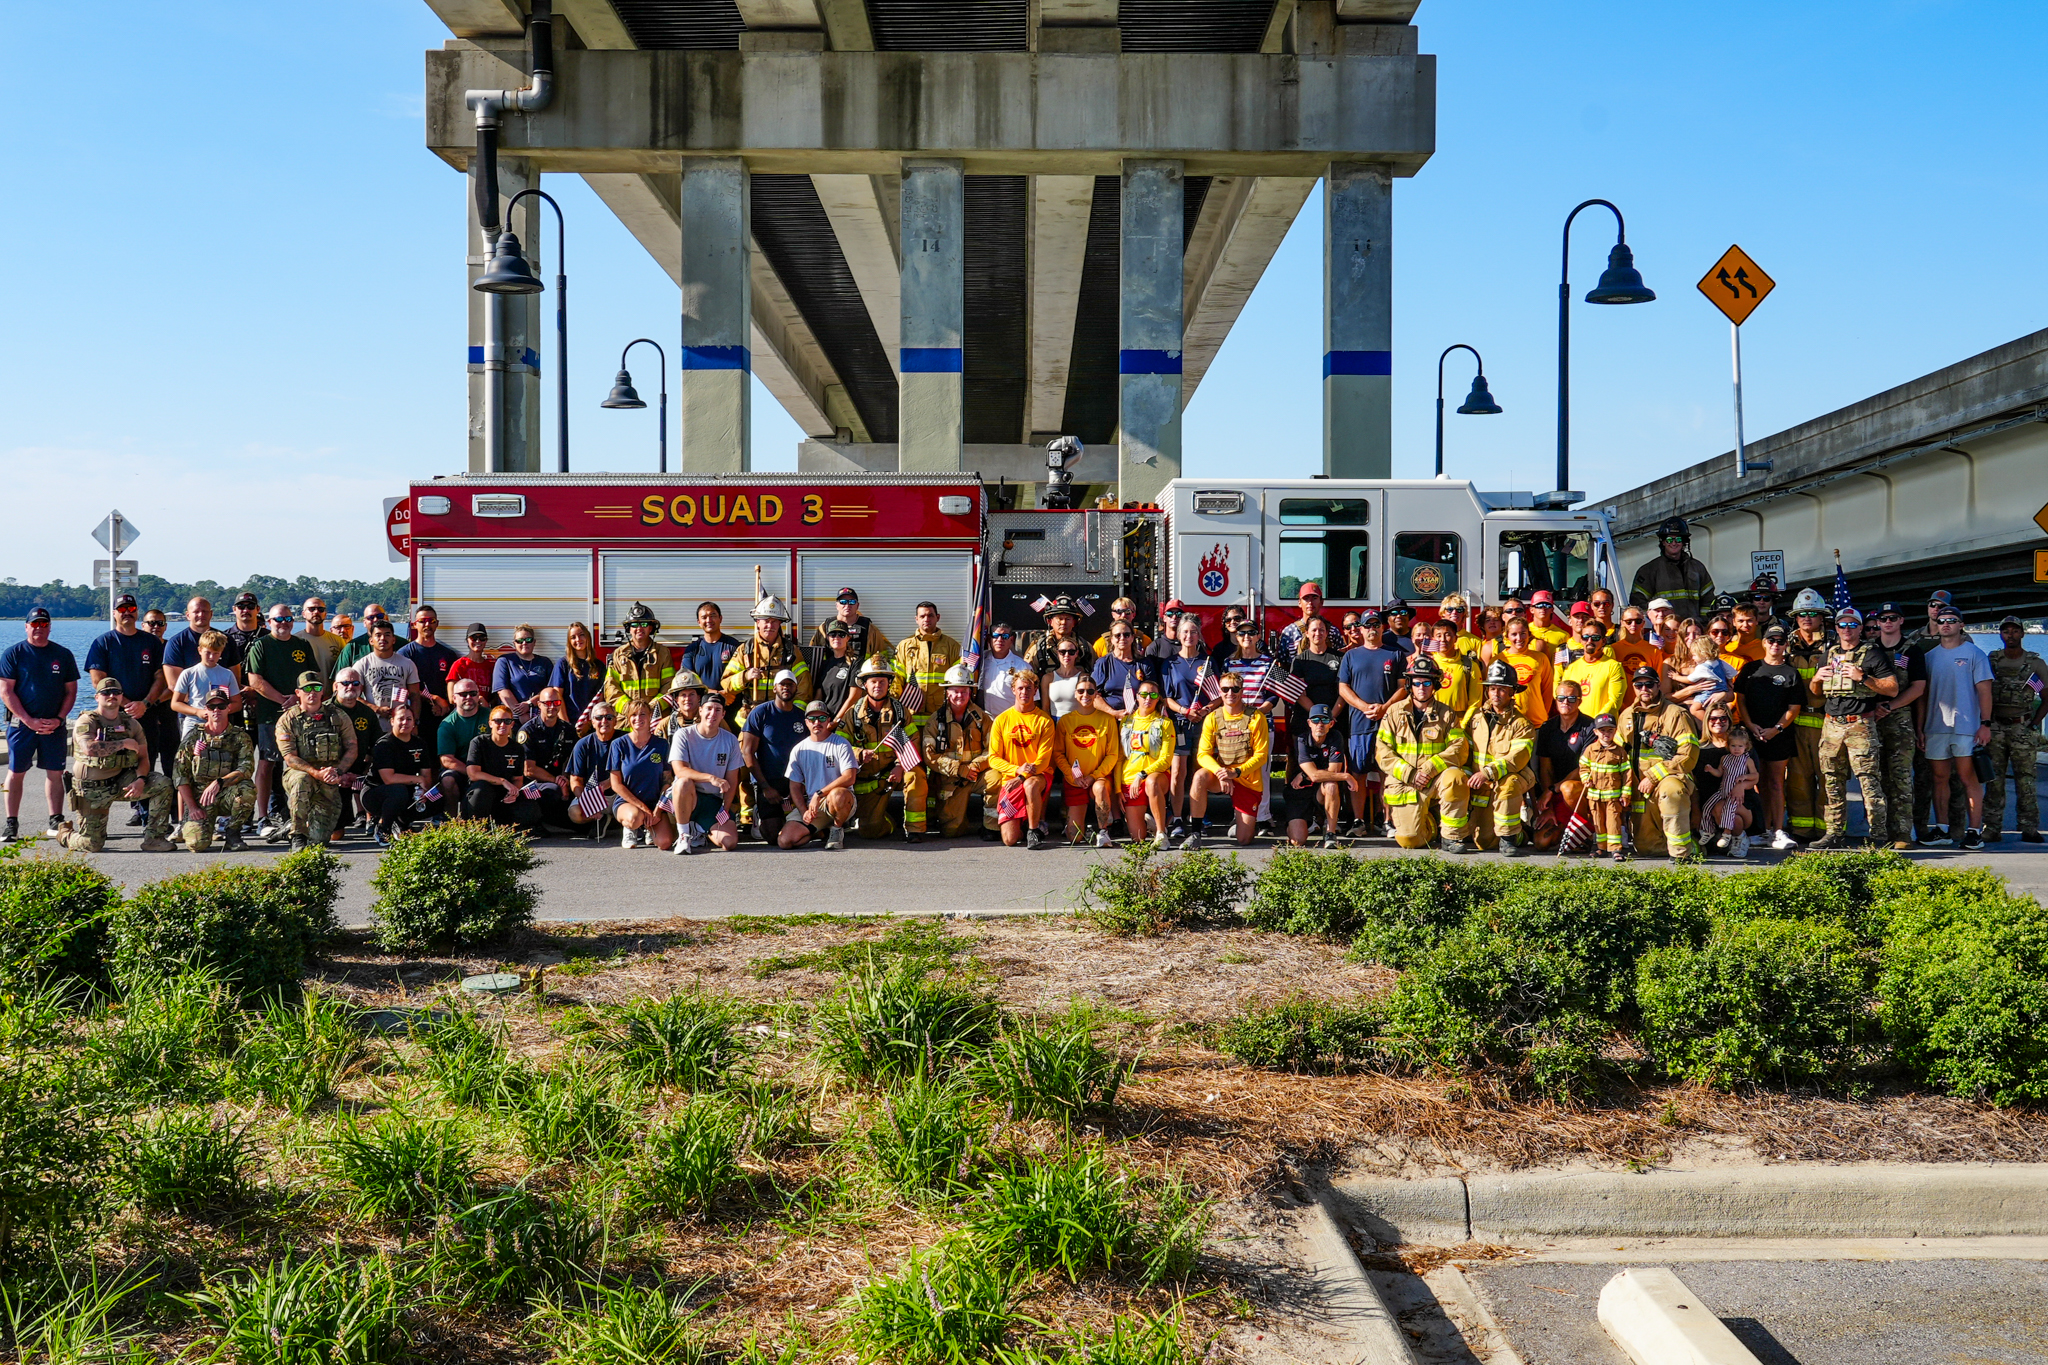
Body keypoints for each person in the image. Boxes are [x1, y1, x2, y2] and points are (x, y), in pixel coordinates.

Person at [56, 679, 175, 852]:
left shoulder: (131, 724)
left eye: (116, 692)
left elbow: (143, 757)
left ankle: (154, 839)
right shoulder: (87, 721)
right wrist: (123, 743)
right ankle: (65, 834)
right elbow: (89, 749)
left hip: (121, 782)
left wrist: (141, 779)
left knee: (162, 784)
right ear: (97, 697)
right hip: (92, 788)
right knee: (92, 844)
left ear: (121, 696)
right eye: (106, 692)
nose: (111, 696)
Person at [1372, 656, 1469, 852]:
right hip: (1406, 781)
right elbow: (1382, 751)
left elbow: (1459, 748)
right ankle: (1431, 824)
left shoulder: (1447, 714)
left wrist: (1429, 768)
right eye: (1416, 683)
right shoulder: (1393, 713)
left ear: (1434, 685)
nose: (1421, 687)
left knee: (1456, 778)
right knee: (1409, 840)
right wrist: (1410, 774)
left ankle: (1451, 837)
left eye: (1427, 683)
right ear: (1409, 684)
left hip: (1435, 778)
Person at [1915, 604, 1991, 849]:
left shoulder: (1975, 654)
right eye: (1941, 621)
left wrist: (1985, 724)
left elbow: (1985, 691)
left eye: (1951, 620)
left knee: (1969, 778)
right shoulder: (1930, 657)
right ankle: (1942, 829)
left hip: (1967, 727)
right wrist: (1920, 728)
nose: (1945, 624)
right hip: (1936, 727)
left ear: (1961, 625)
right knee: (1939, 779)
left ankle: (1974, 832)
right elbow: (1922, 696)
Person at [0, 609, 79, 844]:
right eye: (34, 624)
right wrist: (28, 720)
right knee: (16, 772)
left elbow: (71, 691)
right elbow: (6, 691)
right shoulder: (14, 654)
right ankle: (11, 823)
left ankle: (55, 820)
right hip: (21, 725)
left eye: (44, 624)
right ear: (26, 627)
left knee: (55, 772)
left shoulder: (62, 654)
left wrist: (60, 718)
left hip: (53, 724)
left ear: (50, 627)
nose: (39, 628)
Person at [87, 593, 172, 808]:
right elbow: (98, 679)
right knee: (111, 764)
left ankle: (144, 812)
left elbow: (161, 677)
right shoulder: (103, 642)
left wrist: (145, 703)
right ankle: (101, 813)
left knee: (146, 761)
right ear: (114, 613)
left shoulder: (151, 642)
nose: (127, 613)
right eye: (122, 609)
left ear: (137, 613)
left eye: (131, 609)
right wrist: (126, 704)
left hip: (146, 713)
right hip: (113, 716)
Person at [242, 605, 314, 838]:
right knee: (267, 764)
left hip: (301, 715)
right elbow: (255, 680)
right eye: (278, 619)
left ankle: (301, 816)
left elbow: (312, 677)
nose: (284, 623)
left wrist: (297, 697)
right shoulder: (261, 646)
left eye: (288, 618)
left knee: (304, 763)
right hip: (270, 716)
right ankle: (263, 817)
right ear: (269, 622)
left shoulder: (302, 645)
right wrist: (283, 700)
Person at [1616, 666, 1700, 860]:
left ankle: (1682, 853)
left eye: (1649, 684)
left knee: (1672, 792)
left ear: (1658, 685)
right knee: (1646, 848)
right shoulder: (1626, 716)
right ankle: (1681, 843)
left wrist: (1654, 776)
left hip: (1667, 778)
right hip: (1637, 786)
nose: (1644, 689)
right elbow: (1618, 754)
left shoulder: (1676, 714)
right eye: (1639, 685)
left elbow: (1688, 755)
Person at [1732, 625, 1804, 851]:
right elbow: (1740, 699)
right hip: (1751, 735)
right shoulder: (1750, 669)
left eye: (1780, 641)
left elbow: (1794, 707)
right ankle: (1762, 829)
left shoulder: (1791, 673)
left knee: (1775, 782)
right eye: (1771, 640)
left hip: (1779, 735)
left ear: (1785, 645)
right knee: (1756, 783)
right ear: (1763, 643)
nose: (1775, 644)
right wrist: (1750, 725)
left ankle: (1778, 830)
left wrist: (1776, 728)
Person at [1185, 670, 1270, 849]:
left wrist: (1236, 772)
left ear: (1242, 691)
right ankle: (1195, 833)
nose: (1230, 693)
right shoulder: (1212, 718)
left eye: (1235, 689)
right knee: (1199, 776)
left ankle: (1240, 823)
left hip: (1247, 779)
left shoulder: (1256, 717)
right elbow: (1203, 754)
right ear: (1220, 692)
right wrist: (1221, 773)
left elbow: (1261, 755)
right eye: (1225, 689)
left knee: (1244, 839)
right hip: (1222, 775)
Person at [843, 654, 924, 841]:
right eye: (873, 681)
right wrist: (859, 753)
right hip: (869, 780)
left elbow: (913, 740)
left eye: (882, 681)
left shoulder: (900, 712)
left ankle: (915, 830)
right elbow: (840, 745)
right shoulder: (852, 714)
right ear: (865, 684)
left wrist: (900, 766)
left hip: (895, 772)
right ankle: (890, 823)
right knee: (869, 830)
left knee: (916, 775)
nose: (877, 685)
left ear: (889, 684)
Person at [1867, 604, 1926, 852]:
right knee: (1875, 778)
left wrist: (1890, 706)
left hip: (1900, 718)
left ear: (1901, 620)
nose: (1888, 622)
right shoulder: (1869, 649)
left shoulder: (1912, 650)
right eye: (1883, 618)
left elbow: (1918, 687)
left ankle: (1902, 832)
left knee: (1900, 778)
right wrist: (1874, 708)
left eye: (1892, 618)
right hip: (1871, 717)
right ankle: (1878, 832)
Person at [1984, 614, 2047, 843]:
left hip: (2022, 727)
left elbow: (2046, 696)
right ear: (2001, 634)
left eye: (2015, 631)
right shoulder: (1992, 661)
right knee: (1993, 780)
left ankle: (2029, 827)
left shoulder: (2035, 664)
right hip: (1995, 727)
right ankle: (1992, 827)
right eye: (2006, 631)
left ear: (2022, 633)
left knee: (2026, 780)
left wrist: (2034, 723)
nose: (2010, 635)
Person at [276, 672, 356, 853]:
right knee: (301, 780)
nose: (312, 692)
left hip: (329, 777)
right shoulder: (288, 719)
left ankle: (289, 829)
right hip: (300, 773)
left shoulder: (338, 716)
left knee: (319, 841)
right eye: (307, 689)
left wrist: (338, 772)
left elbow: (352, 747)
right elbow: (290, 757)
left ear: (322, 691)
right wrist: (315, 772)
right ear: (298, 692)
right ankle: (297, 835)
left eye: (317, 688)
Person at [1466, 660, 1536, 854]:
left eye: (1502, 689)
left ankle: (1511, 838)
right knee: (1484, 841)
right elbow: (1466, 751)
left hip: (1512, 777)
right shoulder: (1476, 719)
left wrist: (1487, 773)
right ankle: (1517, 830)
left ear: (1512, 692)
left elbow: (1516, 759)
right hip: (1483, 784)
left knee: (1509, 783)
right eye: (1492, 688)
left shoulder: (1521, 724)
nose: (1496, 693)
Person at [174, 690, 256, 853]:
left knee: (247, 789)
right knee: (197, 845)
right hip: (200, 798)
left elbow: (246, 768)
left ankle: (233, 833)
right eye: (212, 707)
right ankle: (199, 827)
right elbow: (179, 775)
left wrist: (220, 782)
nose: (216, 710)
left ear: (228, 708)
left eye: (221, 706)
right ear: (206, 709)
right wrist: (192, 807)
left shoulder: (240, 736)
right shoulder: (194, 737)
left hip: (226, 793)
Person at [1160, 613, 1215, 844]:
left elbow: (1218, 696)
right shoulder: (1170, 663)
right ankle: (1177, 819)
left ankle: (1198, 818)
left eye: (1193, 632)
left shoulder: (1207, 662)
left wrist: (1204, 710)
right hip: (1179, 723)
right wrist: (1184, 711)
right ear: (1179, 635)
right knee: (1177, 773)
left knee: (1198, 773)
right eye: (1185, 632)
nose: (1189, 636)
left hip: (1203, 723)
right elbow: (1166, 698)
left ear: (1199, 635)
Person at [925, 663, 995, 839]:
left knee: (997, 779)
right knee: (952, 830)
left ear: (971, 692)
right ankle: (959, 819)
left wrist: (975, 766)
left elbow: (993, 749)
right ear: (947, 692)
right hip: (952, 778)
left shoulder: (982, 718)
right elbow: (930, 756)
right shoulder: (935, 721)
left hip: (977, 774)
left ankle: (991, 827)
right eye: (955, 691)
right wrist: (958, 769)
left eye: (964, 691)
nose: (959, 695)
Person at [668, 695, 743, 854]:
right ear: (700, 711)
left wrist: (724, 809)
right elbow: (680, 770)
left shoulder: (730, 740)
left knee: (729, 843)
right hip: (688, 797)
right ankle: (683, 835)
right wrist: (710, 778)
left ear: (723, 714)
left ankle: (698, 828)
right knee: (683, 782)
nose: (712, 714)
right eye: (708, 709)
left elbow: (732, 780)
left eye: (718, 710)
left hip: (713, 800)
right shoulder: (683, 735)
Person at [741, 670, 808, 843]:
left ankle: (790, 820)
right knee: (772, 836)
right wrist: (765, 787)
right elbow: (747, 752)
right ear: (775, 688)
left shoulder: (802, 716)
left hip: (794, 782)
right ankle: (760, 811)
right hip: (768, 781)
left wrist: (801, 786)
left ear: (796, 688)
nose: (786, 687)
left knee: (801, 834)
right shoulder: (760, 713)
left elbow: (809, 754)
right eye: (782, 684)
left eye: (790, 684)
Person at [781, 700, 859, 850]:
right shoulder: (799, 749)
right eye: (812, 719)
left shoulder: (841, 744)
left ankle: (837, 829)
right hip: (813, 806)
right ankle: (820, 832)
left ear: (828, 720)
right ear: (806, 722)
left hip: (839, 800)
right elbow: (795, 786)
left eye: (822, 718)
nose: (817, 722)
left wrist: (818, 794)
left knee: (837, 795)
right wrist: (804, 812)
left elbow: (849, 777)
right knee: (785, 841)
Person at [722, 596, 811, 723]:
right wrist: (745, 676)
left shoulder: (791, 651)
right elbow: (726, 684)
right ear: (758, 622)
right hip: (751, 717)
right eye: (766, 620)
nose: (770, 625)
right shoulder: (746, 650)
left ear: (780, 623)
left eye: (774, 621)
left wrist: (792, 714)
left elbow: (804, 688)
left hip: (781, 716)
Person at [1531, 680, 1596, 851]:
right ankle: (1565, 832)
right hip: (1555, 793)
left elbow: (1584, 767)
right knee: (1541, 842)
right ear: (1556, 700)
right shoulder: (1547, 727)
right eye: (1561, 698)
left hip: (1581, 791)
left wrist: (1553, 789)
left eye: (1571, 698)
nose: (1565, 702)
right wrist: (1549, 805)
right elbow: (1545, 768)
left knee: (1568, 787)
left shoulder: (1590, 727)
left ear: (1580, 701)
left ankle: (1587, 833)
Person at [1055, 677, 1121, 846]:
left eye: (1090, 691)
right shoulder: (1065, 721)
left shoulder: (1107, 719)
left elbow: (1112, 754)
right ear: (1075, 694)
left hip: (1098, 778)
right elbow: (1058, 754)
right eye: (1081, 691)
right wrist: (1071, 775)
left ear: (1096, 694)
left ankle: (1103, 831)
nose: (1085, 695)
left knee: (1100, 788)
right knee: (1074, 837)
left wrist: (1094, 776)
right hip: (1075, 780)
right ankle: (1083, 827)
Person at [608, 701, 676, 850]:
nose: (638, 718)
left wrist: (658, 809)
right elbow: (616, 784)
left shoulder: (662, 744)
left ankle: (648, 828)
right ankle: (631, 829)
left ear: (650, 716)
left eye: (643, 714)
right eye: (633, 715)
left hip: (655, 803)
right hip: (628, 803)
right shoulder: (618, 744)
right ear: (628, 718)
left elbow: (667, 780)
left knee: (665, 842)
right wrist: (643, 808)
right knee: (634, 818)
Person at [367, 704, 440, 844]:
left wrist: (424, 791)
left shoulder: (419, 743)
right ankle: (383, 828)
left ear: (414, 723)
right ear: (392, 721)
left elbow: (426, 775)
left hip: (407, 789)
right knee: (398, 791)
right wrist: (418, 779)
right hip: (376, 793)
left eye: (409, 719)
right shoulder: (384, 744)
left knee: (437, 797)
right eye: (401, 719)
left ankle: (402, 823)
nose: (405, 722)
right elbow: (389, 779)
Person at [1285, 704, 1354, 849]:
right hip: (1300, 791)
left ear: (1331, 723)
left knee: (1331, 785)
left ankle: (1330, 833)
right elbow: (1315, 775)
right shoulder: (1301, 739)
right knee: (1298, 841)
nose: (1320, 724)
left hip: (1320, 790)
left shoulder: (1336, 737)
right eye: (1315, 720)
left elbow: (1333, 772)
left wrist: (1305, 774)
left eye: (1325, 720)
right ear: (1309, 723)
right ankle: (1296, 825)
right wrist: (1346, 776)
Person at [1696, 708, 1760, 858]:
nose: (1718, 722)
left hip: (1740, 799)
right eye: (1713, 718)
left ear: (1730, 721)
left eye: (1723, 718)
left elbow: (1756, 777)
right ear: (1706, 721)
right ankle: (1709, 831)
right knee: (1714, 807)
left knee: (1728, 811)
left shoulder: (1744, 750)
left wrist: (1741, 785)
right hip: (1718, 794)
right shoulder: (1700, 748)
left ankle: (1738, 837)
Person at [1118, 681, 1175, 847]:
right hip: (1129, 778)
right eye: (1144, 694)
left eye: (1153, 695)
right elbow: (1120, 757)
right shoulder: (1126, 722)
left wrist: (1142, 774)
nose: (1148, 698)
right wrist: (1116, 789)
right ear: (1137, 697)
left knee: (1152, 782)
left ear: (1158, 699)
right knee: (1138, 838)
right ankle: (1149, 822)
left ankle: (1161, 833)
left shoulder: (1165, 723)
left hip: (1154, 776)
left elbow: (1166, 760)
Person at [1629, 516, 1716, 620]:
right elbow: (1638, 602)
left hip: (1693, 628)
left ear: (1684, 542)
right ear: (1663, 542)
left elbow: (1708, 599)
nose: (1674, 543)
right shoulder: (1649, 570)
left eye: (1678, 539)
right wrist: (1657, 622)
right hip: (1666, 628)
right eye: (1669, 539)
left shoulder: (1697, 568)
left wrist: (1703, 622)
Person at [330, 667, 381, 838]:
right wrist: (338, 774)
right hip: (331, 773)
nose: (350, 686)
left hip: (359, 770)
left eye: (355, 683)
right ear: (335, 686)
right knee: (336, 835)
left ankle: (373, 817)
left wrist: (365, 773)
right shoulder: (324, 711)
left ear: (361, 687)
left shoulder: (367, 713)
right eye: (345, 683)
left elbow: (378, 746)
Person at [894, 601, 958, 734]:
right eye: (922, 616)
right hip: (911, 712)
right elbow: (897, 679)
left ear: (938, 617)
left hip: (940, 713)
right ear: (916, 619)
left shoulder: (952, 646)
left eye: (930, 615)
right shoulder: (904, 646)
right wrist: (893, 706)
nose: (926, 619)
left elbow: (958, 683)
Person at [517, 687, 576, 831]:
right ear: (539, 705)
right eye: (548, 703)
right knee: (553, 790)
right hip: (533, 783)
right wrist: (556, 781)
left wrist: (565, 779)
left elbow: (571, 759)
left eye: (556, 703)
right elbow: (529, 770)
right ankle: (539, 822)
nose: (552, 707)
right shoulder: (528, 731)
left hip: (561, 779)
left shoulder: (568, 729)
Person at [604, 603, 677, 719]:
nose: (639, 628)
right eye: (634, 624)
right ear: (629, 629)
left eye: (644, 624)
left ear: (651, 628)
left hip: (655, 719)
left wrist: (650, 709)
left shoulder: (663, 653)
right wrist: (631, 709)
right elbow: (610, 689)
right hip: (626, 721)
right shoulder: (618, 655)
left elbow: (669, 685)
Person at [164, 597, 245, 696]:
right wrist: (197, 703)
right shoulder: (176, 643)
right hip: (190, 703)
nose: (201, 615)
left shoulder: (226, 640)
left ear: (211, 614)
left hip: (221, 702)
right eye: (196, 612)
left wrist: (218, 702)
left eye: (204, 611)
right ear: (188, 615)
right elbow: (174, 684)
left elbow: (235, 680)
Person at [1578, 712, 1630, 861]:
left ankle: (1615, 849)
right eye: (1602, 730)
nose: (1606, 733)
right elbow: (1583, 767)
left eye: (1610, 730)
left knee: (1613, 822)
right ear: (1595, 732)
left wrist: (1625, 794)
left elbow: (1627, 774)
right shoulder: (1590, 750)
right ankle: (1601, 847)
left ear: (1615, 731)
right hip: (1595, 796)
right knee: (1598, 822)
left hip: (1613, 796)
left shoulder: (1620, 752)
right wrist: (1585, 780)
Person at [564, 700, 620, 839]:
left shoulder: (626, 740)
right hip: (594, 796)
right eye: (599, 718)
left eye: (609, 717)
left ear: (615, 721)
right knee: (575, 813)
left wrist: (609, 783)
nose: (604, 721)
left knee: (632, 813)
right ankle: (602, 819)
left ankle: (626, 823)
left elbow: (634, 772)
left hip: (621, 794)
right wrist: (586, 802)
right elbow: (575, 780)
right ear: (592, 722)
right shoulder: (583, 744)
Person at [169, 631, 242, 737]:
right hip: (194, 722)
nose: (211, 657)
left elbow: (237, 703)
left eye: (216, 653)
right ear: (200, 650)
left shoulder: (227, 674)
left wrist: (221, 711)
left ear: (221, 653)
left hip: (220, 725)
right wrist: (197, 712)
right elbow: (175, 703)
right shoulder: (189, 673)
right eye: (208, 653)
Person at [436, 676, 491, 814]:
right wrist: (474, 772)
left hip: (488, 768)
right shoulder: (447, 725)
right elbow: (447, 760)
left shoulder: (492, 717)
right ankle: (452, 820)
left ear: (478, 695)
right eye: (463, 694)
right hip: (461, 770)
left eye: (473, 693)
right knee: (448, 780)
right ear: (454, 698)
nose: (468, 697)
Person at [357, 619, 420, 734]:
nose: (383, 638)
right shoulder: (362, 665)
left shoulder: (407, 664)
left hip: (401, 727)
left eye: (387, 635)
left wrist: (414, 722)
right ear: (371, 640)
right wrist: (376, 709)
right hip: (374, 727)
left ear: (393, 639)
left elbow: (415, 696)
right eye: (378, 635)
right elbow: (355, 697)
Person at [1491, 616, 1555, 729]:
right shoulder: (1498, 660)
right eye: (1514, 634)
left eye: (1523, 633)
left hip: (1536, 723)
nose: (1519, 638)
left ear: (1529, 634)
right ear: (1507, 636)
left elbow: (1548, 691)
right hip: (1507, 723)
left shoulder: (1540, 658)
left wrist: (1542, 714)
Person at [1283, 616, 1345, 731]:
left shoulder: (1340, 658)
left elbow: (1343, 691)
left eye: (1321, 630)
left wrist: (1331, 716)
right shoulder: (1299, 661)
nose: (1318, 633)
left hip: (1335, 720)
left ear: (1326, 633)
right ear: (1307, 633)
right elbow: (1300, 695)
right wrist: (1319, 717)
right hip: (1307, 721)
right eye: (1314, 630)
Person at [399, 606, 460, 721]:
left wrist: (445, 705)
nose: (427, 624)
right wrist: (434, 698)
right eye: (422, 621)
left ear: (437, 624)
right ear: (414, 624)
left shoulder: (448, 655)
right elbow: (402, 687)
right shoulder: (405, 654)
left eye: (431, 621)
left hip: (444, 716)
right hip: (415, 717)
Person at [1091, 622, 1158, 722]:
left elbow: (1153, 694)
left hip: (1138, 720)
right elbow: (1093, 696)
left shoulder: (1144, 664)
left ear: (1132, 637)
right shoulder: (1103, 663)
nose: (1122, 638)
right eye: (1118, 635)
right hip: (1108, 719)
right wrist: (1114, 713)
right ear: (1111, 639)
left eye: (1126, 635)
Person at [1561, 621, 1627, 721]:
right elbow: (1565, 700)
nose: (1589, 641)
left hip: (1602, 726)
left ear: (1603, 641)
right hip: (1576, 726)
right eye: (1585, 637)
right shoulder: (1571, 669)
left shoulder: (1614, 667)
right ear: (1581, 640)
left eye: (1595, 637)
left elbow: (1615, 702)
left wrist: (1596, 722)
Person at [810, 587, 890, 665]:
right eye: (843, 602)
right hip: (830, 672)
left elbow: (881, 658)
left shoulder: (869, 629)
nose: (847, 605)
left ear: (857, 605)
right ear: (837, 605)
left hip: (859, 673)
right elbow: (812, 655)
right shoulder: (824, 628)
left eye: (852, 602)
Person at [492, 625, 554, 723]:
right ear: (514, 643)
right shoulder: (504, 661)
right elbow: (502, 690)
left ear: (534, 642)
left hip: (540, 717)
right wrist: (520, 713)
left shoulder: (545, 662)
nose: (524, 643)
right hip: (511, 719)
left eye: (528, 640)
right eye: (520, 641)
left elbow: (550, 690)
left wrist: (529, 704)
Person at [551, 621, 606, 730]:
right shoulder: (563, 664)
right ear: (569, 641)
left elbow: (600, 697)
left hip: (591, 723)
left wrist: (591, 722)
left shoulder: (598, 665)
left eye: (581, 635)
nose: (578, 639)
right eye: (573, 637)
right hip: (569, 723)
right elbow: (557, 696)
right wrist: (566, 724)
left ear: (588, 637)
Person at [680, 602, 741, 697]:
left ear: (720, 618)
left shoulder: (734, 646)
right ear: (699, 622)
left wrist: (727, 694)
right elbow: (686, 681)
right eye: (704, 617)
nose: (709, 620)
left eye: (713, 616)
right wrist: (715, 693)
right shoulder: (691, 650)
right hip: (702, 703)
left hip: (730, 701)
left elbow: (741, 677)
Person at [1673, 636, 1736, 725]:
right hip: (1723, 690)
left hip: (1709, 693)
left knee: (1694, 709)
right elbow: (1731, 672)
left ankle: (1709, 723)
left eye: (1694, 655)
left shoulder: (1702, 667)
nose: (1693, 658)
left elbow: (1690, 679)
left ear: (1704, 654)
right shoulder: (1719, 661)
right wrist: (1729, 682)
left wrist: (1676, 677)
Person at [1021, 596, 1085, 674]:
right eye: (1060, 619)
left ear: (1074, 622)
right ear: (1049, 621)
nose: (1063, 622)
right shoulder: (1039, 648)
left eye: (1068, 619)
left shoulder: (1084, 647)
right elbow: (1026, 676)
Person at [978, 624, 1032, 717]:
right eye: (995, 635)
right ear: (989, 639)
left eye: (1005, 636)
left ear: (1011, 640)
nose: (1000, 640)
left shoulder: (1022, 666)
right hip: (985, 720)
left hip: (1011, 719)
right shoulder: (980, 662)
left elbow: (1032, 699)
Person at [814, 621, 861, 721]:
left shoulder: (855, 663)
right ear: (828, 638)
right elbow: (818, 697)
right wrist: (817, 719)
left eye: (841, 634)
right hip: (825, 721)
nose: (837, 637)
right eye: (833, 634)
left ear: (848, 638)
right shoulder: (825, 664)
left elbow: (854, 697)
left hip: (845, 722)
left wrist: (836, 721)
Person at [1610, 606, 1664, 683]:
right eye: (1629, 621)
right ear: (1622, 623)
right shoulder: (1613, 649)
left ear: (1643, 623)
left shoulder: (1654, 651)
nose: (1633, 624)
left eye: (1638, 621)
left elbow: (1658, 680)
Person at [1274, 583, 1326, 663]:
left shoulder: (1331, 631)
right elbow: (1282, 663)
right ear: (1299, 603)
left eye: (1314, 598)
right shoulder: (1289, 632)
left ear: (1321, 602)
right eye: (1306, 598)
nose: (1310, 602)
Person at [1041, 637, 1091, 720]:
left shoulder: (1083, 677)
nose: (1067, 655)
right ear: (1057, 653)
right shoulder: (1048, 678)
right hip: (1054, 722)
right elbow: (1045, 708)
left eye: (1071, 652)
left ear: (1076, 653)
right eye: (1062, 652)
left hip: (1076, 722)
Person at [446, 624, 498, 702]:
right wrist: (477, 701)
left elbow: (496, 696)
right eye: (473, 638)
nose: (478, 641)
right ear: (467, 640)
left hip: (486, 709)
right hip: (465, 708)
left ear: (486, 641)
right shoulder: (459, 664)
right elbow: (452, 698)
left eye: (482, 638)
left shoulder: (491, 666)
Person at [221, 593, 268, 679]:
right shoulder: (224, 638)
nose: (246, 610)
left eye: (250, 606)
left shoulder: (269, 637)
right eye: (241, 606)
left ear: (258, 609)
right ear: (234, 609)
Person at [298, 598, 346, 679]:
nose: (316, 612)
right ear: (303, 614)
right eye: (312, 609)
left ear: (325, 614)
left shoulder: (338, 641)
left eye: (321, 609)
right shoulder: (296, 640)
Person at [334, 604, 390, 673]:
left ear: (387, 619)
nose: (375, 620)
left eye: (380, 616)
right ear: (364, 622)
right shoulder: (352, 647)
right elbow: (339, 676)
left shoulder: (401, 645)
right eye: (371, 617)